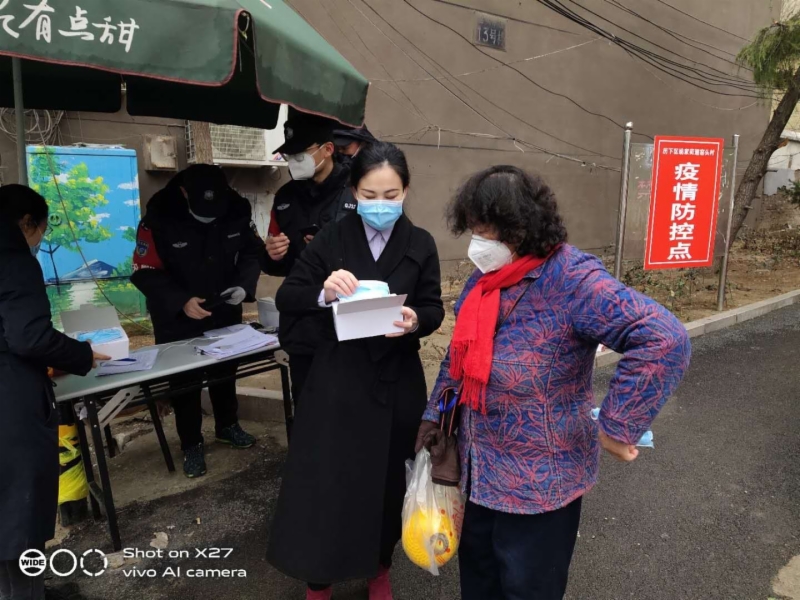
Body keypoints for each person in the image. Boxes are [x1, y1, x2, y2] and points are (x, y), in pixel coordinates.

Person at [417, 166, 692, 600]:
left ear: (520, 227)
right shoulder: (486, 278)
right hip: (479, 469)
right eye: (473, 229)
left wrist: (618, 426)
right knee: (480, 585)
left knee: (528, 589)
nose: (477, 243)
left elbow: (664, 338)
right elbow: (460, 355)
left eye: (486, 231)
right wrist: (434, 417)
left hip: (541, 484)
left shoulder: (574, 280)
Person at [267, 142, 444, 600]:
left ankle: (379, 568)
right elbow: (288, 297)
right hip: (337, 378)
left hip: (395, 379)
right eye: (370, 195)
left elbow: (433, 307)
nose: (380, 205)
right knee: (329, 481)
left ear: (406, 191)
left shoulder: (420, 243)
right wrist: (324, 292)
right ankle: (319, 580)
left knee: (387, 482)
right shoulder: (333, 237)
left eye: (391, 195)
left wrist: (415, 321)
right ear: (353, 191)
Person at [0, 184, 108, 600]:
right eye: (41, 231)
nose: (39, 240)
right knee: (20, 513)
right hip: (10, 403)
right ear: (27, 222)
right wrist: (82, 354)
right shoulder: (15, 262)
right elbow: (29, 337)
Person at [131, 164, 263, 478]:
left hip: (224, 306)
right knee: (184, 381)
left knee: (225, 371)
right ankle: (191, 443)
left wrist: (243, 286)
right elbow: (144, 271)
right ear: (184, 192)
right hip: (176, 316)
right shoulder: (158, 217)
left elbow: (252, 251)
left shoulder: (237, 209)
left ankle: (227, 425)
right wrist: (181, 301)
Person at [261, 109, 358, 405]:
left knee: (348, 406)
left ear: (327, 150)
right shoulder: (285, 197)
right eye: (289, 155)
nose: (293, 161)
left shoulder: (358, 190)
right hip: (302, 322)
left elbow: (379, 253)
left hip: (348, 321)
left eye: (300, 154)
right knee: (306, 403)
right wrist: (272, 254)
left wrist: (332, 248)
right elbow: (279, 266)